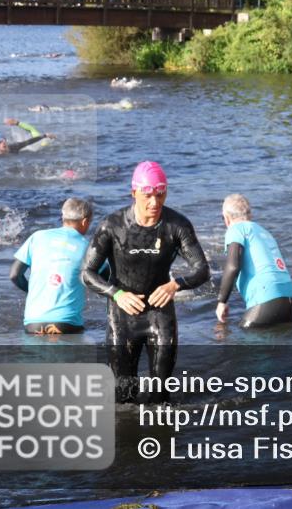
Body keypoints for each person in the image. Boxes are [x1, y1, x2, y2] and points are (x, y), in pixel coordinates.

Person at [81, 161, 209, 402]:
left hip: (160, 314)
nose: (154, 202)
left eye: (160, 195)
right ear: (134, 193)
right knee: (123, 396)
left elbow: (202, 269)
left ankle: (160, 438)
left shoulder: (176, 225)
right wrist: (116, 294)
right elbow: (87, 273)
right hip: (122, 315)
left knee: (160, 395)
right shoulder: (112, 225)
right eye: (147, 195)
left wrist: (175, 284)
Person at [10, 198, 94, 335]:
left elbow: (14, 274)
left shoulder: (37, 237)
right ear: (85, 221)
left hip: (33, 324)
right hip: (67, 324)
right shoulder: (86, 247)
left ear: (63, 217)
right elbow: (104, 278)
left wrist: (32, 292)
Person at [216, 194, 292, 329]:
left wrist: (221, 302)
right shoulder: (264, 232)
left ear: (227, 218)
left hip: (266, 300)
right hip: (290, 301)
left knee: (238, 345)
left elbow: (233, 266)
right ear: (250, 216)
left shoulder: (236, 229)